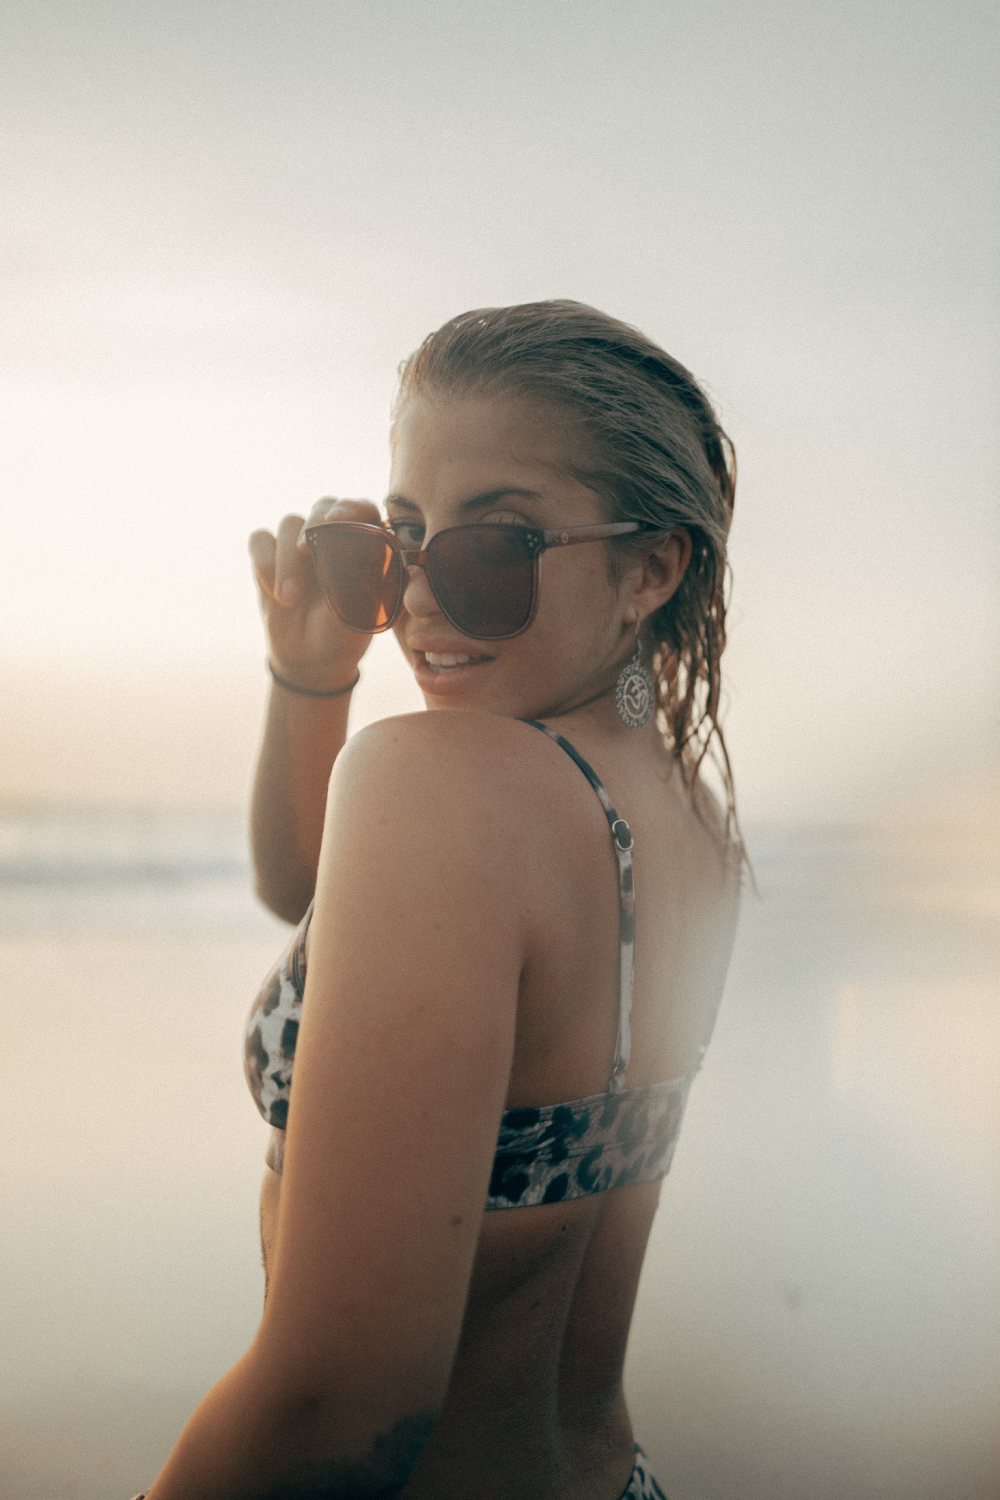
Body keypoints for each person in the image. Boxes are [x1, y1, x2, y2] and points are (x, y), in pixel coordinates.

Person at [132, 301, 745, 1499]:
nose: (416, 599)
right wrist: (313, 675)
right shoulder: (685, 820)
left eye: (495, 547)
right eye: (398, 541)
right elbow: (309, 894)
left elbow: (335, 1408)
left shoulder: (444, 785)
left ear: (650, 566)